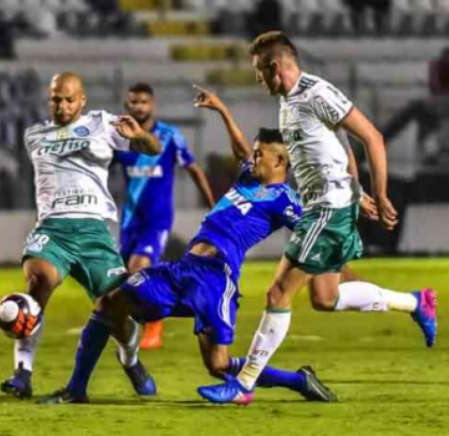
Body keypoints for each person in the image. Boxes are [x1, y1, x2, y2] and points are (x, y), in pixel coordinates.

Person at [198, 31, 437, 405]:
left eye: (260, 70)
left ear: (275, 66)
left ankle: (243, 384)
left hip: (327, 208)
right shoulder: (289, 101)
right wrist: (357, 191)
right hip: (327, 205)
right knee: (325, 297)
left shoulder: (316, 93)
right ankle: (415, 302)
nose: (258, 78)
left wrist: (380, 192)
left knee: (279, 292)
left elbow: (371, 137)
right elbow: (340, 144)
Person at [39, 125, 338, 404]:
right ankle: (77, 389)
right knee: (107, 305)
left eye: (260, 154)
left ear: (280, 162)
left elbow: (314, 230)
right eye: (254, 152)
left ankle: (298, 381)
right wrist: (221, 109)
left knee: (218, 365)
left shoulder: (285, 199)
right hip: (181, 269)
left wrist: (347, 213)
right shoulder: (248, 176)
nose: (253, 157)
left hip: (215, 278)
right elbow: (239, 150)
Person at [0, 72, 162, 400]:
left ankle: (130, 360)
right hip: (53, 229)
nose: (62, 105)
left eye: (69, 99)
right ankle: (22, 373)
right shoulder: (35, 135)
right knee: (38, 283)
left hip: (93, 231)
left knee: (116, 311)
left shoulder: (102, 124)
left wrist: (140, 135)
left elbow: (153, 149)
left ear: (82, 100)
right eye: (56, 99)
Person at [116, 82, 215, 350]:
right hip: (129, 220)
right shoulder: (121, 139)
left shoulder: (169, 136)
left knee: (140, 268)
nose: (139, 107)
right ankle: (132, 327)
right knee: (124, 277)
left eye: (143, 102)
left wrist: (211, 203)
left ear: (152, 105)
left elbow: (193, 168)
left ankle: (155, 326)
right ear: (127, 105)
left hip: (157, 219)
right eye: (134, 102)